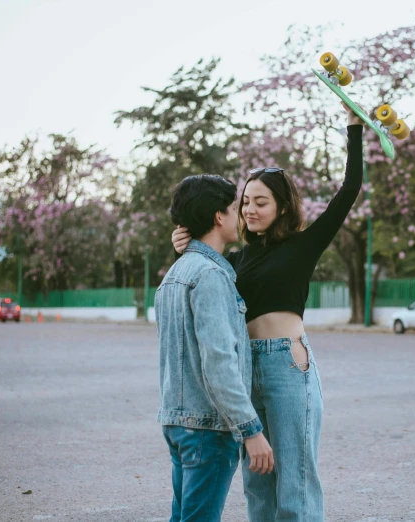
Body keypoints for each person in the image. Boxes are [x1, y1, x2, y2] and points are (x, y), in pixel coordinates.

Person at [171, 104, 364, 521]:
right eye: (244, 204)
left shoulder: (303, 245)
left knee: (294, 479)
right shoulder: (234, 259)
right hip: (246, 368)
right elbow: (204, 269)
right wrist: (183, 241)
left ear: (282, 205)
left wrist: (354, 129)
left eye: (261, 202)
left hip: (286, 363)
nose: (250, 210)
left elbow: (349, 190)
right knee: (257, 482)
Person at [156, 174, 274, 522]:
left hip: (178, 420)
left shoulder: (175, 274)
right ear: (218, 217)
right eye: (236, 207)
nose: (242, 214)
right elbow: (218, 362)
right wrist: (251, 430)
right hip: (209, 428)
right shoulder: (210, 276)